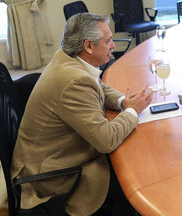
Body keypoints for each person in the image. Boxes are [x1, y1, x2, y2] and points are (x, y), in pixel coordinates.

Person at [11, 13, 153, 215]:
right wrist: (133, 111)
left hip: (47, 156)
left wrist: (123, 102)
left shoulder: (68, 58)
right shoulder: (73, 81)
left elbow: (98, 85)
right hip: (50, 177)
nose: (113, 46)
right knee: (136, 179)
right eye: (108, 41)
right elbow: (106, 140)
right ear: (88, 46)